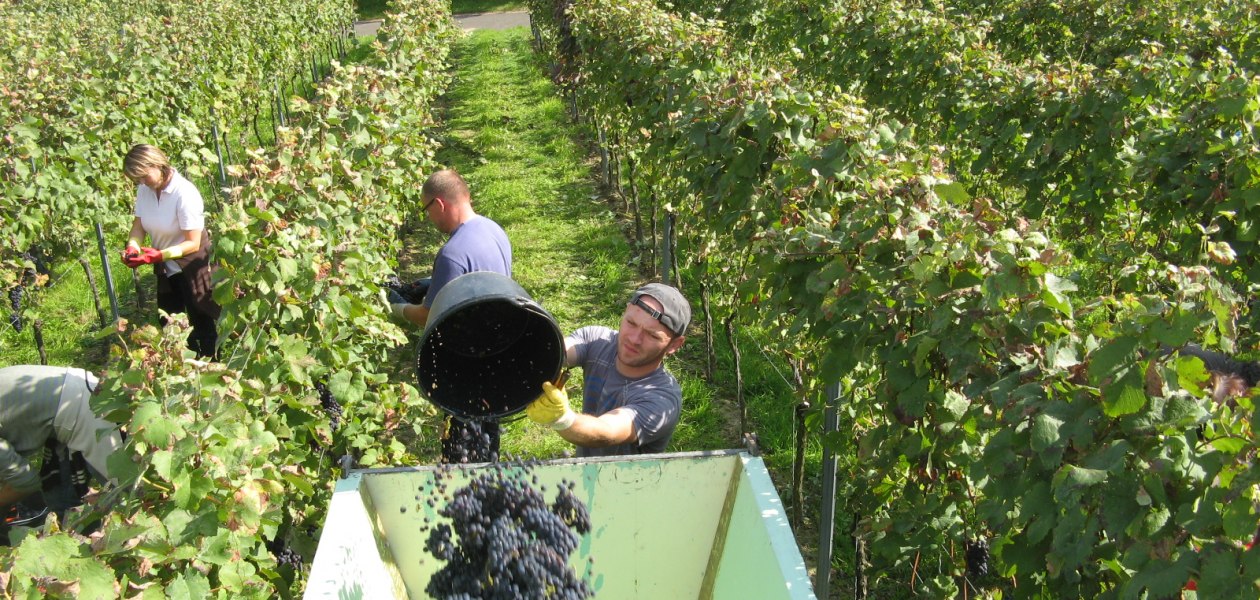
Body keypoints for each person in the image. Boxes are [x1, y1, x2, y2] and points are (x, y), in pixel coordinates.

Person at [388, 169, 512, 463]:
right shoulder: (492, 229)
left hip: (467, 360)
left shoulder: (452, 253)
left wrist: (395, 308)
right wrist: (435, 284)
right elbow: (482, 280)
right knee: (486, 429)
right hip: (497, 349)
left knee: (463, 442)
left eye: (426, 209)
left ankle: (467, 486)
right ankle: (488, 472)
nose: (428, 218)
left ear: (439, 204)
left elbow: (429, 316)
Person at [526, 283, 690, 456]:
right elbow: (554, 354)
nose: (634, 339)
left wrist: (562, 418)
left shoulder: (662, 401)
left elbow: (605, 432)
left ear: (674, 345)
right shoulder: (597, 339)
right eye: (631, 323)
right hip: (584, 470)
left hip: (628, 481)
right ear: (625, 312)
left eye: (652, 335)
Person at [119, 144, 221, 359]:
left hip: (193, 264)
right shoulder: (145, 190)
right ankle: (182, 367)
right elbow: (139, 226)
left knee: (200, 317)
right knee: (170, 321)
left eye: (144, 176)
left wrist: (158, 255)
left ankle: (211, 366)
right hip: (167, 267)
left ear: (157, 165)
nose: (141, 182)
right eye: (137, 179)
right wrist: (133, 247)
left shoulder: (184, 193)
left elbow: (192, 243)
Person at [0, 366, 123, 522]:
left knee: (127, 497)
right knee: (60, 503)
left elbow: (25, 482)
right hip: (69, 391)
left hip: (87, 409)